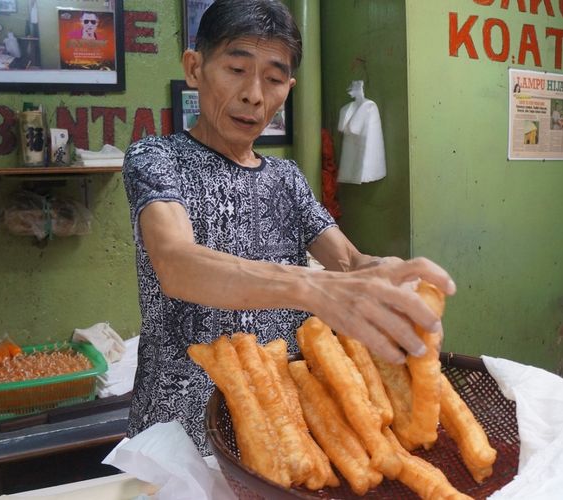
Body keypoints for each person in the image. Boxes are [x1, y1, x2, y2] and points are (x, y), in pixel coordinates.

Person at [122, 0, 456, 453]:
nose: (254, 95)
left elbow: (347, 260)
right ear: (195, 67)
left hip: (284, 423)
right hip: (182, 431)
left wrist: (385, 274)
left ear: (288, 87)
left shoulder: (286, 178)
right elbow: (177, 263)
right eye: (237, 69)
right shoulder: (157, 159)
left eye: (274, 79)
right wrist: (310, 287)